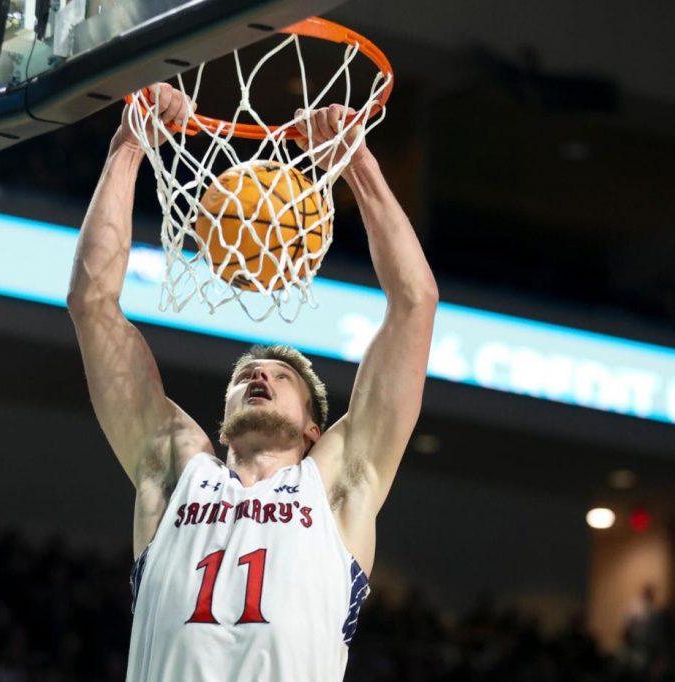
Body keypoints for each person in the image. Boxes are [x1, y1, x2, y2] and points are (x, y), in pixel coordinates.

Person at [67, 84, 438, 681]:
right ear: (224, 416)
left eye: (280, 375)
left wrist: (358, 164)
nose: (259, 374)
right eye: (246, 376)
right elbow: (91, 303)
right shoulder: (177, 466)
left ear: (316, 428)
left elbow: (415, 303)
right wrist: (129, 145)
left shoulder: (336, 486)